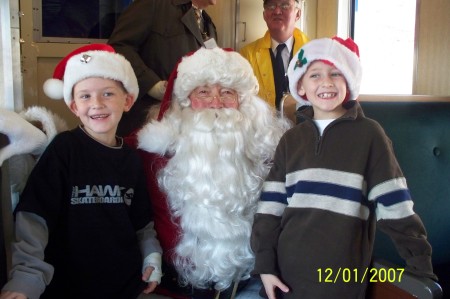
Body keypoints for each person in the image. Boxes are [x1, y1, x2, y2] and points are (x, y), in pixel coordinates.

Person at [250, 37, 438, 299]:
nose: (326, 82)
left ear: (349, 82)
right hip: (285, 276)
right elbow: (270, 209)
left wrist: (421, 269)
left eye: (336, 73)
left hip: (342, 278)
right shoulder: (291, 140)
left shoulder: (371, 135)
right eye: (314, 75)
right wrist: (265, 266)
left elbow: (396, 209)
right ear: (301, 86)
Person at [0, 44, 163, 299]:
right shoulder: (64, 149)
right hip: (67, 285)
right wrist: (26, 277)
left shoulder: (132, 157)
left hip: (125, 285)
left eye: (108, 94)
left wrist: (151, 255)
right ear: (74, 106)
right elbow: (34, 217)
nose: (96, 104)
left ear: (128, 100)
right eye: (85, 96)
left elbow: (142, 222)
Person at [130, 47, 290, 298]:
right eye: (203, 92)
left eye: (227, 92)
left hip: (253, 283)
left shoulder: (272, 153)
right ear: (185, 102)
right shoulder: (148, 153)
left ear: (243, 102)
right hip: (173, 289)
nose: (216, 103)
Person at [108, 0, 219, 136]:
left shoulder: (208, 24)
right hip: (147, 120)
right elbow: (119, 47)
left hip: (187, 124)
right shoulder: (152, 4)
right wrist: (152, 85)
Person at [239, 0, 309, 120]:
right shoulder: (247, 55)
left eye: (285, 5)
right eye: (271, 6)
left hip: (304, 132)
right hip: (262, 132)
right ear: (264, 15)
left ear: (298, 14)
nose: (277, 11)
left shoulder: (314, 53)